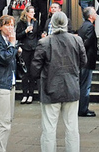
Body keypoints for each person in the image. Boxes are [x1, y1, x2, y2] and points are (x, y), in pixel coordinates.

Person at [32, 11, 86, 152]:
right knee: (72, 127)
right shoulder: (76, 40)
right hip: (71, 87)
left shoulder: (44, 42)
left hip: (50, 87)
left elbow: (35, 69)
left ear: (52, 24)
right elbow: (83, 61)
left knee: (49, 128)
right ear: (66, 23)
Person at [0, 15, 18, 152]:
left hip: (9, 82)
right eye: (7, 25)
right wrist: (13, 45)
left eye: (12, 25)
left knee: (7, 120)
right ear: (0, 27)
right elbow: (5, 58)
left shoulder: (7, 42)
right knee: (4, 122)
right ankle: (0, 150)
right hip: (0, 84)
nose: (10, 28)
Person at [77, 6, 98, 117]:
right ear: (90, 16)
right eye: (94, 12)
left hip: (84, 60)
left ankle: (82, 107)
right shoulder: (89, 27)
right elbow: (87, 43)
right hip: (87, 60)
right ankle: (83, 109)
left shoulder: (82, 26)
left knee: (83, 84)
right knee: (85, 85)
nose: (96, 14)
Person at [16, 5, 40, 104]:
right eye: (31, 12)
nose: (33, 14)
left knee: (32, 72)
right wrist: (25, 31)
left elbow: (37, 34)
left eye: (33, 12)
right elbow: (18, 35)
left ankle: (31, 94)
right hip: (25, 47)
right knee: (25, 72)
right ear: (26, 13)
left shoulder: (36, 23)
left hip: (33, 48)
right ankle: (24, 94)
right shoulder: (21, 23)